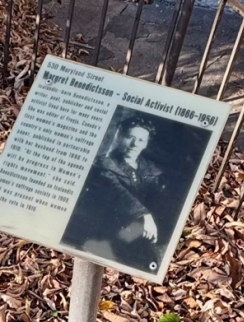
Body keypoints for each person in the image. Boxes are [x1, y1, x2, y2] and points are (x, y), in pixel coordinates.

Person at [61, 114, 167, 273]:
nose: (134, 144)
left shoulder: (151, 170)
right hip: (107, 233)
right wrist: (145, 215)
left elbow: (160, 200)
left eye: (140, 140)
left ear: (146, 144)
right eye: (130, 138)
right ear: (121, 137)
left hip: (143, 233)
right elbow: (116, 190)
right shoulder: (104, 164)